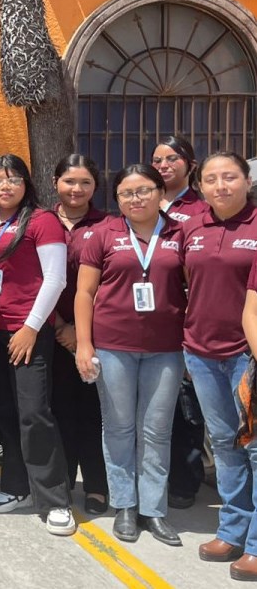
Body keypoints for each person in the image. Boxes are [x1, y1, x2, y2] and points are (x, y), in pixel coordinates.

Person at [74, 164, 185, 547]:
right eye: (126, 193)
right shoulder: (103, 233)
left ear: (159, 192)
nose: (135, 199)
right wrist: (84, 345)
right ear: (116, 198)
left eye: (143, 191)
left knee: (156, 431)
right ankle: (124, 505)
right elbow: (84, 293)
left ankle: (153, 510)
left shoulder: (179, 233)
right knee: (119, 428)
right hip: (113, 345)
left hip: (166, 349)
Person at [0, 154, 75, 536]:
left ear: (26, 184)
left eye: (13, 179)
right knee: (2, 412)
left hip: (28, 333)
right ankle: (16, 486)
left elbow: (56, 280)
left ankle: (55, 500)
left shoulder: (42, 220)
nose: (5, 186)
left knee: (34, 413)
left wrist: (31, 328)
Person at [180, 151, 257, 579]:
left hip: (247, 355)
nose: (221, 186)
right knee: (226, 444)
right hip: (201, 353)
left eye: (230, 177)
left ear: (247, 181)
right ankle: (232, 530)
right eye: (212, 179)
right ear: (201, 185)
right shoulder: (192, 228)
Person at [49, 155, 109, 516]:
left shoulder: (108, 225)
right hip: (51, 333)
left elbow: (113, 281)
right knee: (58, 409)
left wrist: (81, 330)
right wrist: (60, 327)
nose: (76, 189)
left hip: (95, 333)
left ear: (95, 187)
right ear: (56, 182)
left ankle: (98, 486)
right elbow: (33, 281)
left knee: (93, 412)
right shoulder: (41, 222)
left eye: (85, 182)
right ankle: (63, 481)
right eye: (69, 181)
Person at [152, 134, 208, 511]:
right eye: (157, 160)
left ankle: (186, 479)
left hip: (189, 317)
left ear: (189, 163)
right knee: (157, 407)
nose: (163, 165)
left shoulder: (201, 209)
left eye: (172, 158)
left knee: (186, 405)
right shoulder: (141, 201)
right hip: (149, 317)